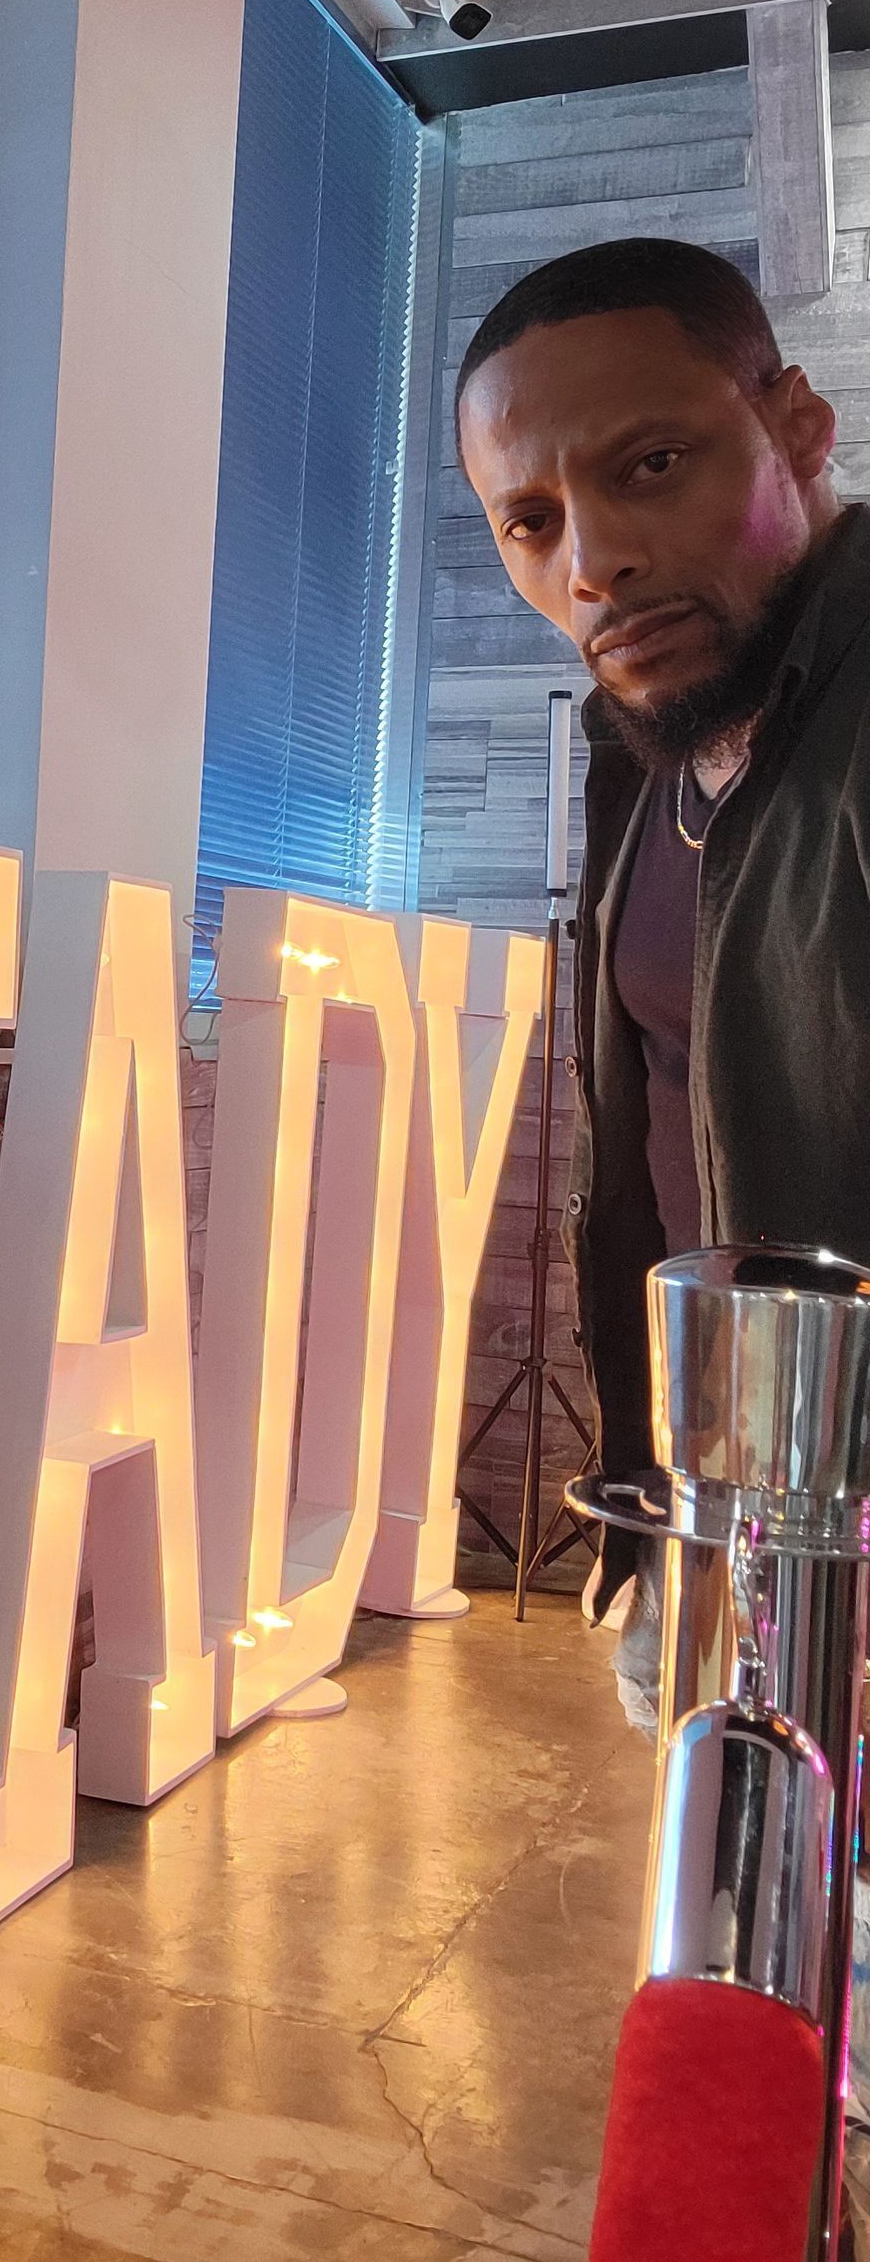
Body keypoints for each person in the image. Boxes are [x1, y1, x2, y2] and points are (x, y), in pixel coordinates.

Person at [453, 236, 870, 1665]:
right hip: (722, 1519)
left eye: (651, 465)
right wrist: (663, 1516)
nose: (593, 565)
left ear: (797, 429)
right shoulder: (644, 753)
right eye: (530, 521)